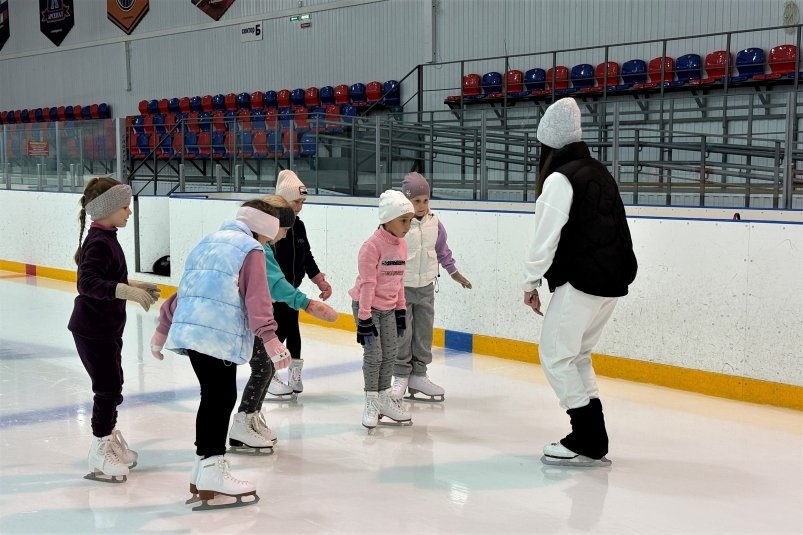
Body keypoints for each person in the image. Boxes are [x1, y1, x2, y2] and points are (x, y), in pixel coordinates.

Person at [149, 199, 291, 510]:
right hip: (217, 334)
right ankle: (212, 469)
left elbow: (186, 291)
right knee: (221, 397)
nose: (271, 241)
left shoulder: (209, 241)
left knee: (213, 396)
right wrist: (271, 341)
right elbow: (257, 299)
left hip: (193, 332)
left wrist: (163, 329)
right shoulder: (251, 251)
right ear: (264, 228)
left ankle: (202, 470)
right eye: (271, 234)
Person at [522, 98, 637, 467]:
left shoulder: (561, 177)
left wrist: (530, 282)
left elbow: (546, 236)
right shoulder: (597, 170)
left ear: (547, 143)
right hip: (612, 280)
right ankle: (595, 437)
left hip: (583, 280)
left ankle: (585, 435)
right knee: (579, 355)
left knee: (556, 356)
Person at [229, 195, 338, 454]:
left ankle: (250, 417)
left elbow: (275, 280)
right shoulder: (256, 247)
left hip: (252, 314)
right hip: (248, 316)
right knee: (261, 368)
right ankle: (242, 422)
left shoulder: (260, 245)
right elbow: (274, 282)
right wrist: (307, 303)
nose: (284, 235)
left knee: (265, 367)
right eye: (284, 229)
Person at [68, 176, 160, 483]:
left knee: (113, 384)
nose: (129, 213)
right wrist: (127, 291)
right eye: (124, 207)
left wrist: (134, 284)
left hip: (105, 327)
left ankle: (108, 438)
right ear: (106, 209)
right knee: (107, 389)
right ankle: (99, 447)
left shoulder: (106, 237)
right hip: (93, 328)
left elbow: (109, 276)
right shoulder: (98, 242)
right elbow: (88, 284)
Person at [390, 172, 472, 402]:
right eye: (416, 201)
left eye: (426, 200)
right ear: (406, 201)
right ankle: (400, 376)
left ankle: (419, 375)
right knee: (402, 334)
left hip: (426, 287)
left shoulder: (435, 222)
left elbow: (442, 251)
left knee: (424, 333)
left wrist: (454, 273)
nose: (422, 205)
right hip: (401, 289)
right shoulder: (396, 223)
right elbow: (383, 253)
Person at [349, 190, 415, 429]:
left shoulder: (401, 245)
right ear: (388, 219)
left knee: (390, 353)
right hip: (367, 307)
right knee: (374, 355)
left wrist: (400, 310)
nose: (408, 226)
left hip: (388, 308)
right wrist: (364, 317)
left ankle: (385, 397)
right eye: (403, 220)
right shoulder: (371, 247)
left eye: (410, 220)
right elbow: (368, 284)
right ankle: (372, 400)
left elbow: (398, 280)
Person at [269, 170, 333, 398]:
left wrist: (320, 281)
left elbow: (306, 257)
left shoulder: (300, 226)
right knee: (278, 333)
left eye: (303, 202)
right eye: (297, 201)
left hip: (292, 291)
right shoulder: (271, 228)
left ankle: (294, 374)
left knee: (292, 331)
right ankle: (267, 374)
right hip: (274, 293)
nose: (300, 206)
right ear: (283, 200)